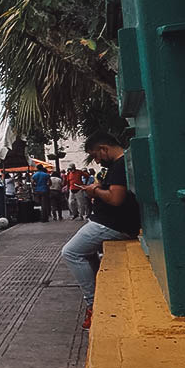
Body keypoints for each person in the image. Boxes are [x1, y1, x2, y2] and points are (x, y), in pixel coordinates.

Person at [61, 133, 141, 330]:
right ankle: (98, 295)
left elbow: (115, 199)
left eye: (96, 155)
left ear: (104, 149)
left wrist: (94, 191)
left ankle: (92, 304)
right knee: (84, 253)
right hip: (109, 221)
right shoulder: (118, 164)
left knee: (70, 252)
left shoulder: (119, 165)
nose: (96, 160)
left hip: (111, 224)